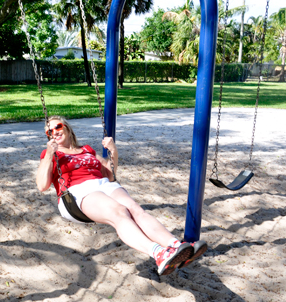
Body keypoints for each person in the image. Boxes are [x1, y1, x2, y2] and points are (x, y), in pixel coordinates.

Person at [36, 116, 207, 275]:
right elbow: (42, 186)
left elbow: (109, 174)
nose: (54, 132)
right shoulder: (50, 155)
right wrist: (50, 154)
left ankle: (177, 247)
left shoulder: (86, 149)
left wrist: (113, 151)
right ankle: (158, 253)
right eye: (49, 131)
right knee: (119, 212)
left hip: (103, 184)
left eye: (57, 127)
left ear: (67, 128)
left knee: (136, 209)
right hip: (77, 192)